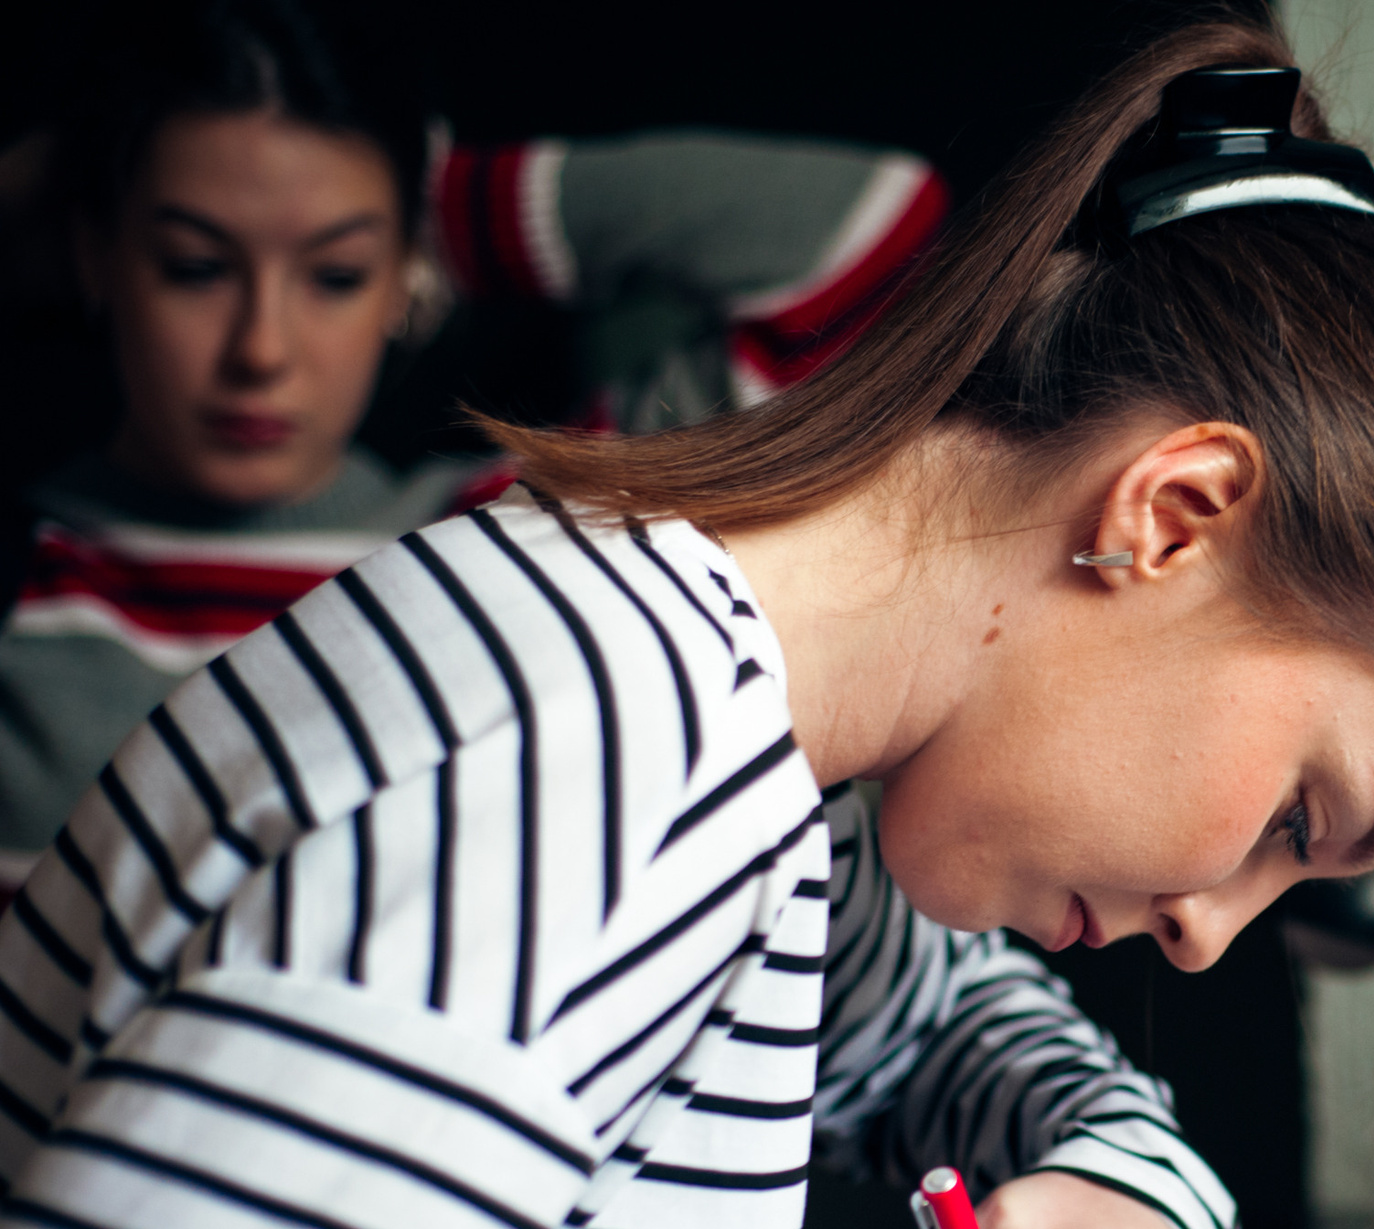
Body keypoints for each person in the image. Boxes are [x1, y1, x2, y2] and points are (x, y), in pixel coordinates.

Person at [0, 14, 1374, 1229]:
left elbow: (933, 1027)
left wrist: (1144, 1193)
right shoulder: (587, 769)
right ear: (1174, 516)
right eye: (1299, 816)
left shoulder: (721, 723)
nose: (1213, 933)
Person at [0, 0, 946, 886]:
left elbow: (877, 246)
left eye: (337, 273)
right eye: (196, 266)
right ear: (94, 253)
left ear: (402, 274)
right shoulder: (27, 565)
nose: (262, 349)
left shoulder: (511, 534)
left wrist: (437, 202)